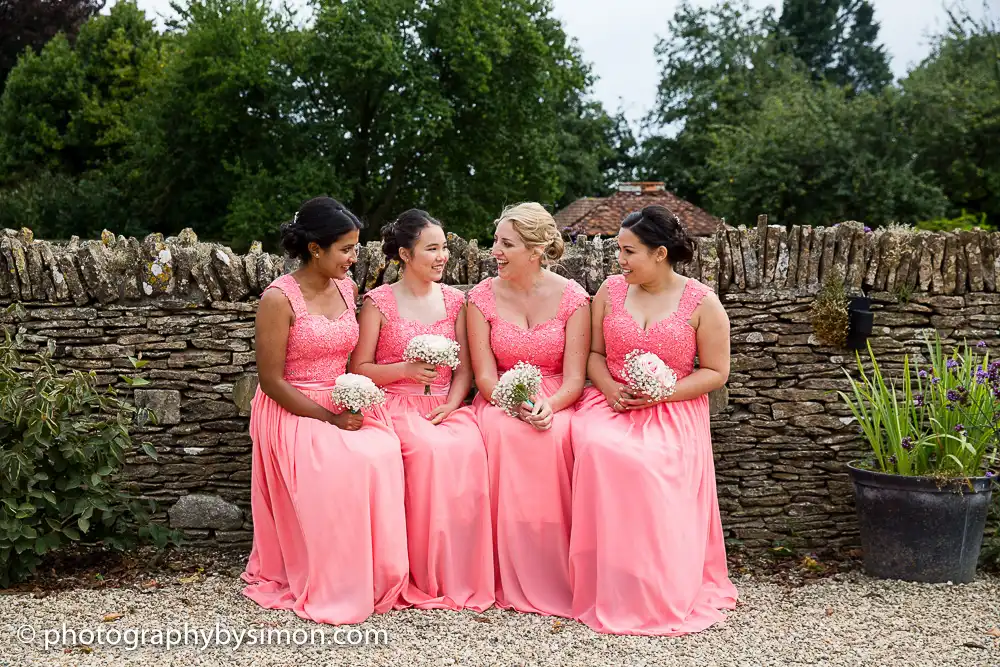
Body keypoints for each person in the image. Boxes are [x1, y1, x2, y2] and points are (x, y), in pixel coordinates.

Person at [569, 205, 738, 636]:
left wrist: (662, 393)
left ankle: (653, 582)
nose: (619, 260)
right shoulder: (610, 291)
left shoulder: (703, 302)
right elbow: (594, 355)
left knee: (649, 462)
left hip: (673, 407)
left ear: (660, 253)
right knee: (599, 446)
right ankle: (607, 577)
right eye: (618, 251)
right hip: (611, 400)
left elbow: (716, 372)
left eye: (629, 252)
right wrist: (609, 389)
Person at [241, 196, 408, 624]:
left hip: (341, 397)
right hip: (292, 407)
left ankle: (374, 573)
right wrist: (330, 418)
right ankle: (334, 578)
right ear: (315, 248)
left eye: (356, 247)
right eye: (347, 249)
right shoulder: (278, 299)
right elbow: (271, 381)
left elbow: (351, 358)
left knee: (385, 451)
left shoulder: (346, 288)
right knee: (344, 460)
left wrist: (356, 399)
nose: (355, 259)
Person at [349, 209, 493, 612]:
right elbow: (359, 369)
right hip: (395, 403)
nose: (443, 255)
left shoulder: (455, 301)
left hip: (444, 403)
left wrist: (452, 402)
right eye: (432, 248)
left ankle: (458, 572)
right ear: (405, 255)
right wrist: (406, 370)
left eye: (444, 247)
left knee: (471, 445)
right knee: (428, 452)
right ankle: (419, 571)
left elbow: (464, 367)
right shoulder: (378, 302)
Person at [466, 202, 590, 617]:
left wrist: (547, 406)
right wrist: (512, 402)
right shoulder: (479, 298)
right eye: (496, 241)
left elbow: (575, 379)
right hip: (499, 395)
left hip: (557, 396)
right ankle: (506, 568)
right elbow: (483, 376)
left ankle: (558, 568)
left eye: (506, 244)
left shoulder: (574, 298)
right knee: (504, 434)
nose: (494, 251)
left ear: (536, 250)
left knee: (556, 436)